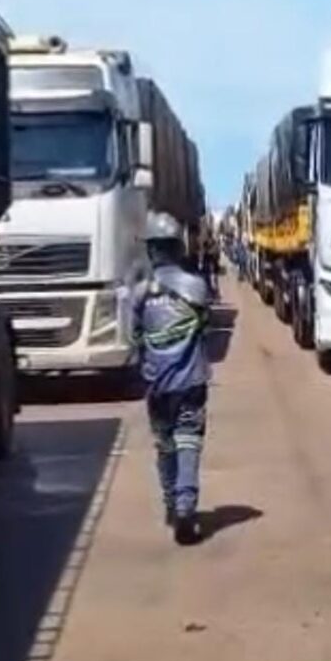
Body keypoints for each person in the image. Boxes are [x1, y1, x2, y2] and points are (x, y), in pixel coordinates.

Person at [130, 213, 211, 545]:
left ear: (151, 251)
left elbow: (135, 336)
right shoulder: (197, 287)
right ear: (179, 248)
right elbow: (204, 325)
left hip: (156, 385)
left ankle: (170, 504)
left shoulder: (139, 293)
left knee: (165, 447)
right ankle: (185, 509)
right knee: (189, 441)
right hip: (191, 382)